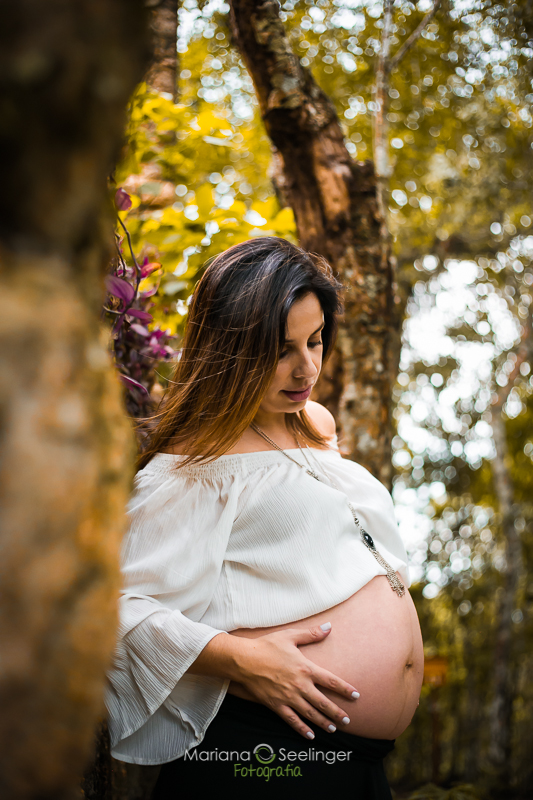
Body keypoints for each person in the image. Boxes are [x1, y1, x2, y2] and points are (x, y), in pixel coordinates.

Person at [104, 236, 424, 798]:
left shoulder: (316, 424)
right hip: (262, 752)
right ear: (230, 348)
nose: (307, 368)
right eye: (281, 350)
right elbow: (112, 609)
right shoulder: (193, 464)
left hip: (356, 764)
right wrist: (244, 659)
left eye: (315, 340)